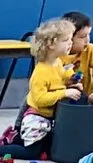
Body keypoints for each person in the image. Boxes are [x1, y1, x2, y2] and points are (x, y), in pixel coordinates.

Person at [21, 20, 84, 151]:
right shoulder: (41, 71)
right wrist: (64, 93)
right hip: (36, 118)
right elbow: (40, 99)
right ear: (51, 44)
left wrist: (72, 80)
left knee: (48, 148)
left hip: (50, 118)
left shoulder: (57, 63)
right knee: (32, 151)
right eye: (66, 40)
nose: (70, 43)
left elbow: (60, 79)